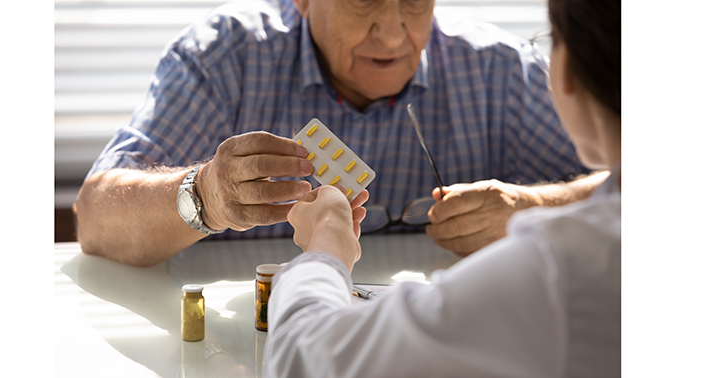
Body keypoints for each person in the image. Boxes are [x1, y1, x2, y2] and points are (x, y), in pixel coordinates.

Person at [73, 0, 606, 267]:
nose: (394, 32)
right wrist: (205, 196)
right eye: (364, 0)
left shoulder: (496, 72)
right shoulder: (224, 60)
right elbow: (96, 218)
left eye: (415, 1)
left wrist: (534, 204)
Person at [264, 0, 620, 375]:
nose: (391, 34)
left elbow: (303, 360)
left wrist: (326, 243)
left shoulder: (551, 271)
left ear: (564, 73)